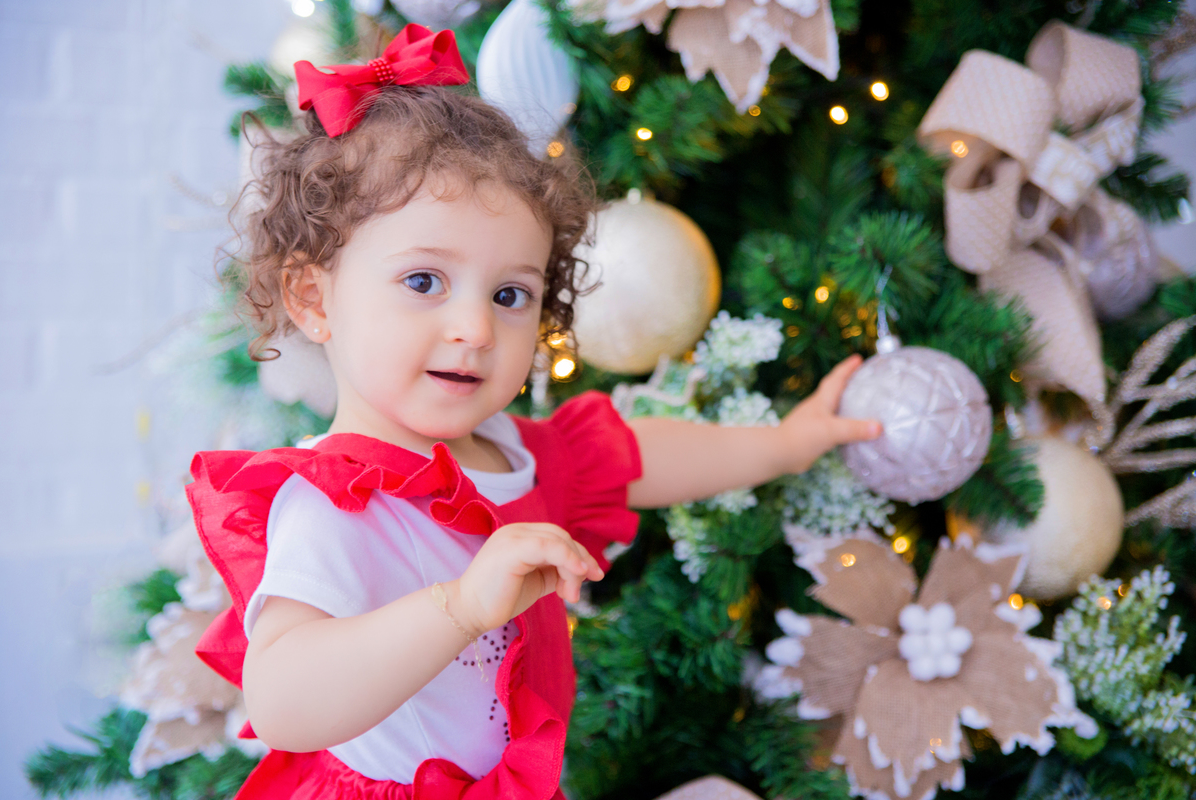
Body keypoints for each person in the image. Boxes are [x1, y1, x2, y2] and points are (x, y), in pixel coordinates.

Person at [187, 23, 881, 800]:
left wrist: (784, 445)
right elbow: (281, 704)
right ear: (314, 297)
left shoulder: (508, 452)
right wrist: (459, 608)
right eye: (424, 281)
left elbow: (639, 457)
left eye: (510, 293)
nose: (476, 327)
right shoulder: (333, 503)